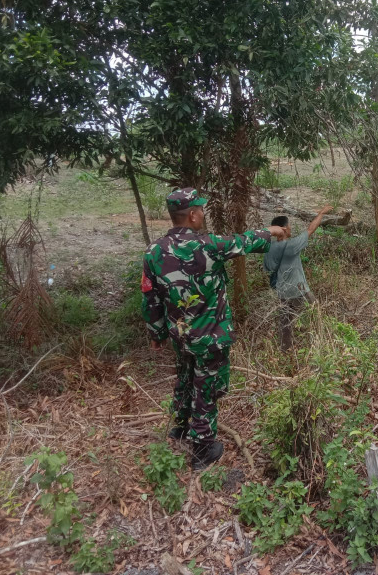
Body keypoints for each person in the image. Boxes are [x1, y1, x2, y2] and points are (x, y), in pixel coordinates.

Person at [141, 188, 286, 469]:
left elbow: (150, 298)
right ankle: (203, 449)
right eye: (201, 210)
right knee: (205, 389)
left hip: (181, 336)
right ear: (193, 215)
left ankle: (180, 427)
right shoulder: (208, 245)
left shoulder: (153, 252)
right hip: (210, 338)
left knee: (185, 377)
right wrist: (272, 231)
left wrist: (156, 334)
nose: (203, 214)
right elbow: (244, 241)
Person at [263, 206, 332, 351]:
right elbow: (310, 229)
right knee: (315, 312)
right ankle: (321, 342)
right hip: (298, 288)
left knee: (285, 321)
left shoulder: (269, 248)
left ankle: (285, 348)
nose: (291, 228)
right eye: (289, 226)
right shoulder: (292, 245)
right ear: (284, 229)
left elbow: (268, 268)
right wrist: (321, 213)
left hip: (282, 290)